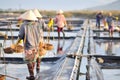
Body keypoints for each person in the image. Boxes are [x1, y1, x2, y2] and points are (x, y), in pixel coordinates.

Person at [16, 10, 39, 80]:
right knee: (33, 60)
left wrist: (17, 42)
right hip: (35, 45)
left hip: (28, 46)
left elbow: (20, 35)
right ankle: (32, 74)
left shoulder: (23, 25)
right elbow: (39, 34)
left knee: (28, 61)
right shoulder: (36, 25)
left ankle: (32, 75)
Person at [32, 8, 44, 74]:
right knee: (39, 53)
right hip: (40, 40)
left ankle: (33, 67)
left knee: (34, 53)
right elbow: (45, 28)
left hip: (32, 40)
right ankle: (38, 66)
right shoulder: (41, 20)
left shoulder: (31, 21)